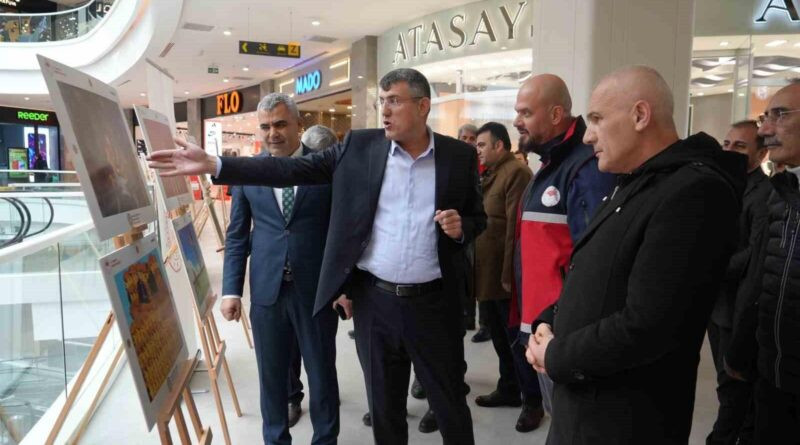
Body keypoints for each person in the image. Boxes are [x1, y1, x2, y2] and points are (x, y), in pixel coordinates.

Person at [149, 68, 486, 445]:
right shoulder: (361, 147)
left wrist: (463, 227)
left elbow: (478, 217)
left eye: (394, 101)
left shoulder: (458, 156)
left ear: (423, 106)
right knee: (386, 412)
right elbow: (293, 167)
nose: (385, 110)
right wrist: (217, 166)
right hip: (376, 304)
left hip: (433, 304)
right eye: (382, 101)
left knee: (451, 406)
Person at [525, 66, 744, 444]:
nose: (588, 134)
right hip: (586, 405)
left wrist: (558, 354)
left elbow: (651, 325)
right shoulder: (638, 180)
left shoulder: (692, 193)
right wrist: (552, 318)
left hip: (624, 419)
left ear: (640, 115)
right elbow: (596, 274)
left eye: (596, 119)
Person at [220, 93, 341, 444]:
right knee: (271, 378)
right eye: (265, 126)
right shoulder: (248, 173)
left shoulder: (326, 170)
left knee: (321, 376)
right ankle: (275, 439)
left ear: (298, 126)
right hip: (267, 293)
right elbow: (237, 235)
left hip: (316, 292)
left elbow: (341, 231)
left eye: (280, 124)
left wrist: (345, 286)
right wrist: (231, 290)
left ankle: (325, 439)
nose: (272, 133)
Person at [509, 73, 616, 415]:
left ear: (555, 115)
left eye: (525, 113)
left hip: (562, 334)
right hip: (542, 328)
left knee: (571, 422)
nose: (516, 122)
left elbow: (595, 263)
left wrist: (562, 337)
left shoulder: (585, 167)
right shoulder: (552, 164)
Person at [727, 82, 800, 445]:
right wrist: (743, 346)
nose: (766, 130)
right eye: (765, 116)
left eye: (781, 115)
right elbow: (762, 278)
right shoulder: (781, 193)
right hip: (773, 376)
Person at [472, 122, 543, 433]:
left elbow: (516, 232)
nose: (479, 151)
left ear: (500, 145)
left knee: (516, 342)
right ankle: (509, 388)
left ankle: (533, 402)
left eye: (483, 145)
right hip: (486, 278)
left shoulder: (515, 173)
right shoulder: (490, 173)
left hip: (504, 280)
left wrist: (508, 279)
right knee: (501, 340)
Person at [707, 120, 769, 445]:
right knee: (725, 383)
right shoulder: (723, 184)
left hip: (738, 308)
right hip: (717, 306)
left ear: (761, 155)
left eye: (740, 146)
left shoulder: (765, 195)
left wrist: (709, 266)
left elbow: (753, 254)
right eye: (726, 144)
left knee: (735, 387)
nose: (729, 151)